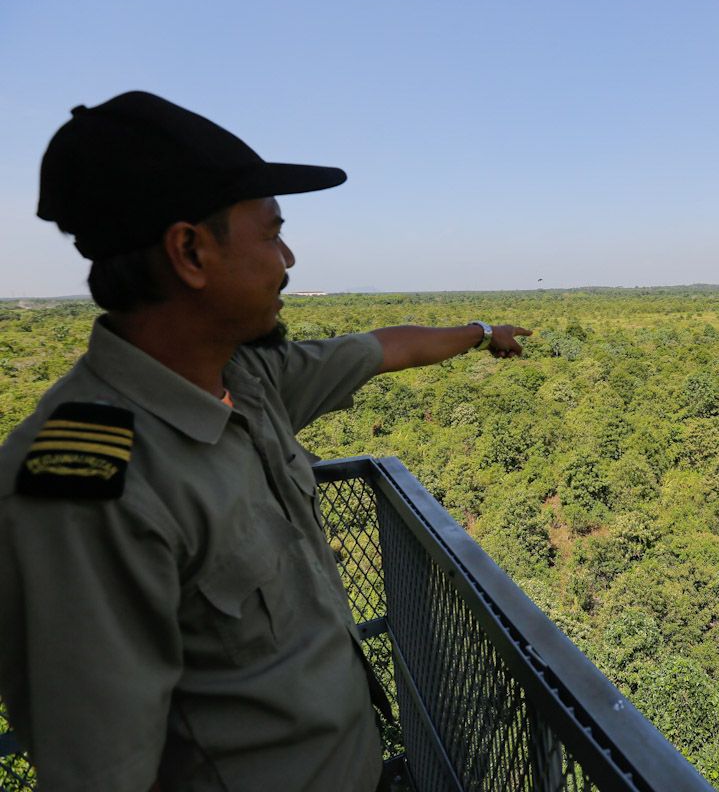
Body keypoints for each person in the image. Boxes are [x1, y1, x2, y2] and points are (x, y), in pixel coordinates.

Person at [0, 91, 531, 791]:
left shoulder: (249, 380)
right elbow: (99, 772)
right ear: (190, 250)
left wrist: (483, 334)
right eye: (271, 232)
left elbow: (381, 347)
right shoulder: (90, 490)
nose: (288, 258)